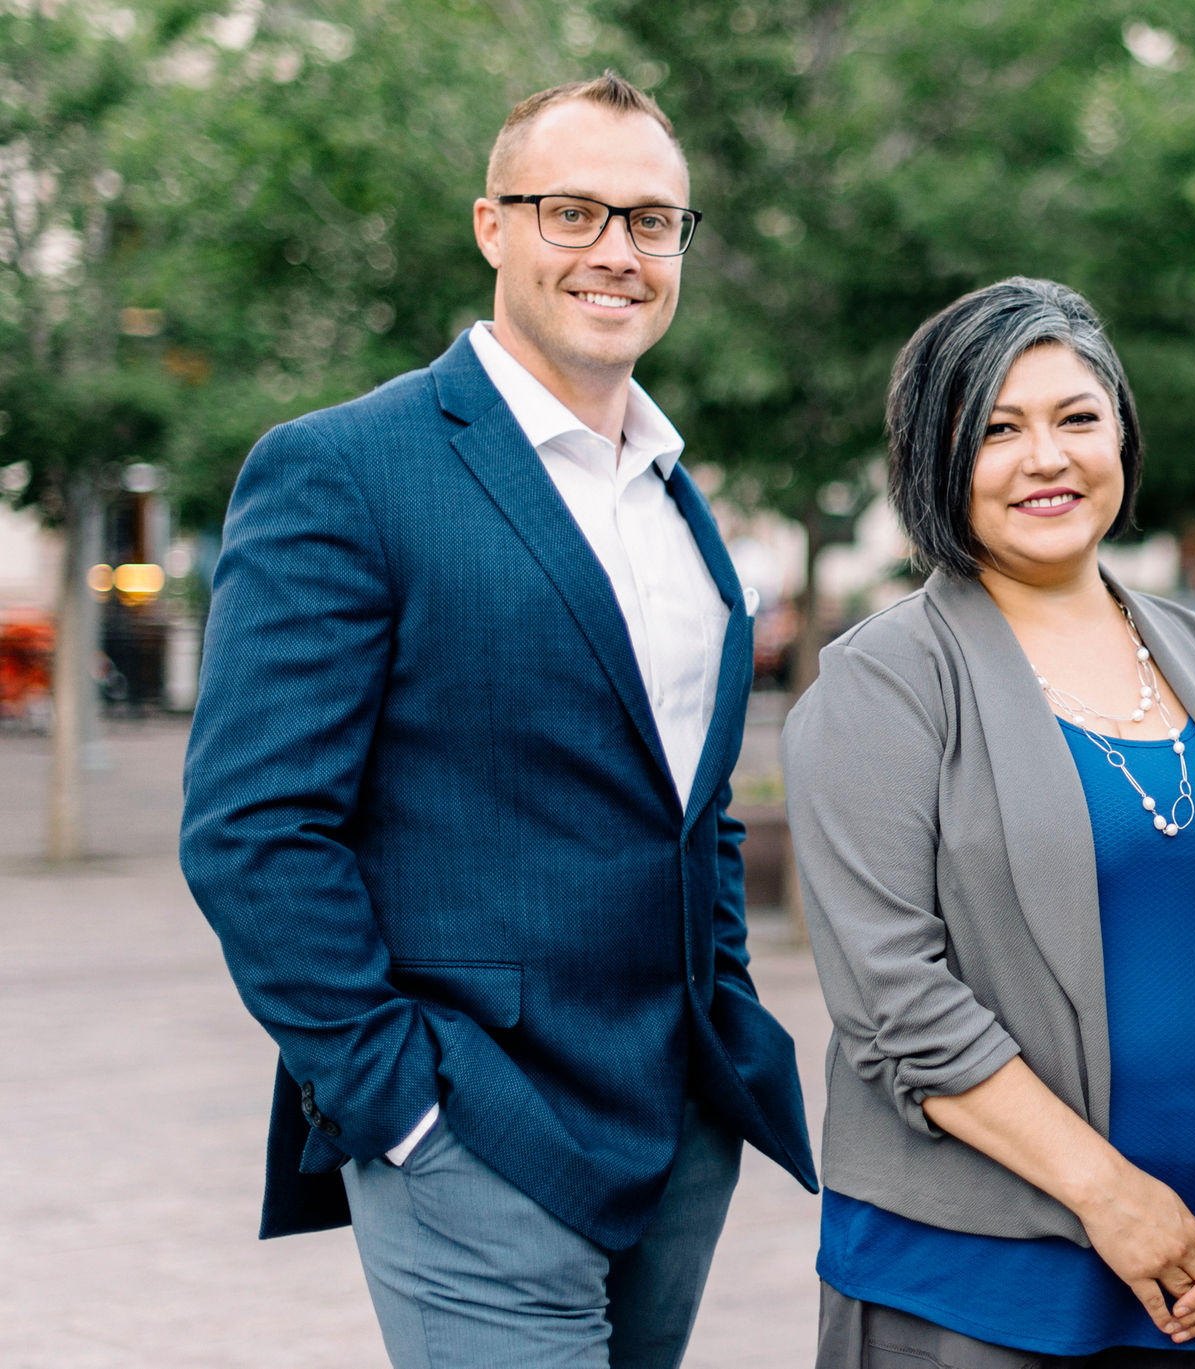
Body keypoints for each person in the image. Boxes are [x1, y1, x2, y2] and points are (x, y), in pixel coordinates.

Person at [179, 73, 814, 1368]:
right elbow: (252, 829)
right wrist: (395, 1099)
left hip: (680, 1116)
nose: (616, 253)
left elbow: (694, 801)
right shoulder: (345, 471)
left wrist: (728, 1005)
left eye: (652, 220)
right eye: (572, 211)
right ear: (493, 226)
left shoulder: (677, 498)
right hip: (473, 1119)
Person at [781, 277, 1195, 1368]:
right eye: (994, 429)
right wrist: (1108, 1195)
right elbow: (896, 1003)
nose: (1045, 457)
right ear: (934, 463)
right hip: (972, 1282)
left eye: (1075, 418)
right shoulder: (883, 682)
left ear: (1121, 436)